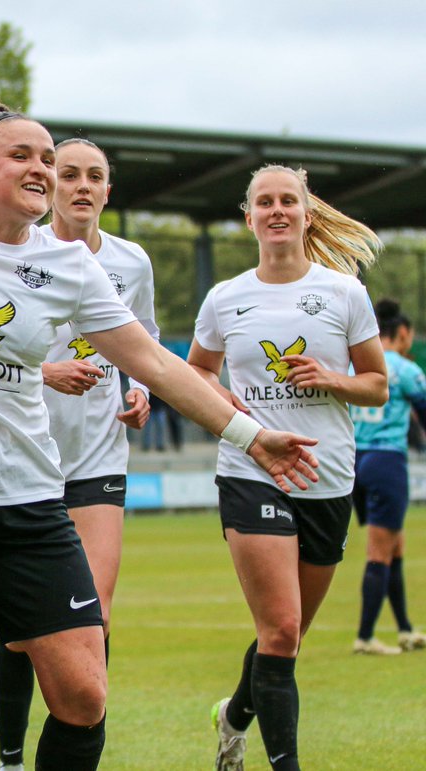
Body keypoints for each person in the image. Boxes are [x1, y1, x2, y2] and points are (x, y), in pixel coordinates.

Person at [0, 104, 318, 771]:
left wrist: (249, 432)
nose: (41, 168)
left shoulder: (70, 265)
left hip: (31, 502)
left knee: (85, 695)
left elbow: (153, 361)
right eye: (21, 156)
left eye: (45, 158)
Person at [189, 164, 386, 771]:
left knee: (288, 637)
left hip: (326, 480)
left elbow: (376, 385)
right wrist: (234, 416)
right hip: (251, 471)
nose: (277, 211)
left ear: (305, 214)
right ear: (248, 217)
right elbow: (197, 372)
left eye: (288, 202)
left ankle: (234, 717)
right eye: (264, 202)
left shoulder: (344, 293)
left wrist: (332, 379)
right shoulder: (225, 297)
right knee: (278, 630)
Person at [0, 137, 158, 771]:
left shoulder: (131, 262)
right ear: (49, 185)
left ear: (108, 191)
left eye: (95, 176)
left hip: (97, 458)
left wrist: (139, 390)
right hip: (23, 458)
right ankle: (10, 758)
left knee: (94, 614)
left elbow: (143, 341)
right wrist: (46, 373)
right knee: (21, 628)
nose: (82, 186)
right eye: (70, 174)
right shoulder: (12, 255)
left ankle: (82, 745)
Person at [350, 299, 426, 654]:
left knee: (394, 545)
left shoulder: (354, 366)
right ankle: (365, 636)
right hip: (387, 461)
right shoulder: (403, 368)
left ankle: (406, 629)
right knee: (379, 551)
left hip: (355, 462)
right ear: (403, 333)